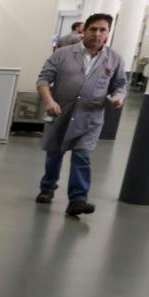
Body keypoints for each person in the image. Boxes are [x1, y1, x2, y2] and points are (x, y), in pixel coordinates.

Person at [36, 14, 127, 216]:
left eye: (102, 30)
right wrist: (49, 101)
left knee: (82, 156)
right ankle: (47, 188)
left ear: (108, 34)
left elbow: (120, 85)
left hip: (90, 117)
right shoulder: (62, 54)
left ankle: (78, 200)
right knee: (54, 154)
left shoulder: (115, 59)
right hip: (60, 112)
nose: (97, 34)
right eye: (93, 29)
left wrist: (119, 97)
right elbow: (43, 80)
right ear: (84, 30)